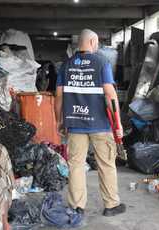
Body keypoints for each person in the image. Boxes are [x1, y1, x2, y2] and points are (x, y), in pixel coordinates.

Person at [55, 29, 126, 217]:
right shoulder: (102, 62)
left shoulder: (66, 65)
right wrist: (118, 124)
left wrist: (59, 120)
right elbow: (110, 95)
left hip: (75, 123)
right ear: (93, 42)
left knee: (76, 165)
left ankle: (77, 206)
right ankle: (111, 205)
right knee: (106, 164)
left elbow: (59, 96)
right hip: (101, 124)